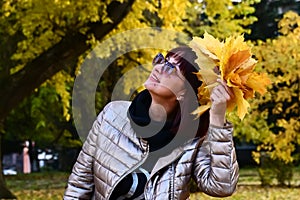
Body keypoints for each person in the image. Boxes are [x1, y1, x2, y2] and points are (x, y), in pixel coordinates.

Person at [64, 46, 239, 200]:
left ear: (185, 93)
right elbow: (79, 184)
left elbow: (222, 186)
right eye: (161, 60)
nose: (159, 68)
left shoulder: (192, 140)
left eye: (171, 68)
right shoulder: (112, 115)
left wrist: (217, 117)